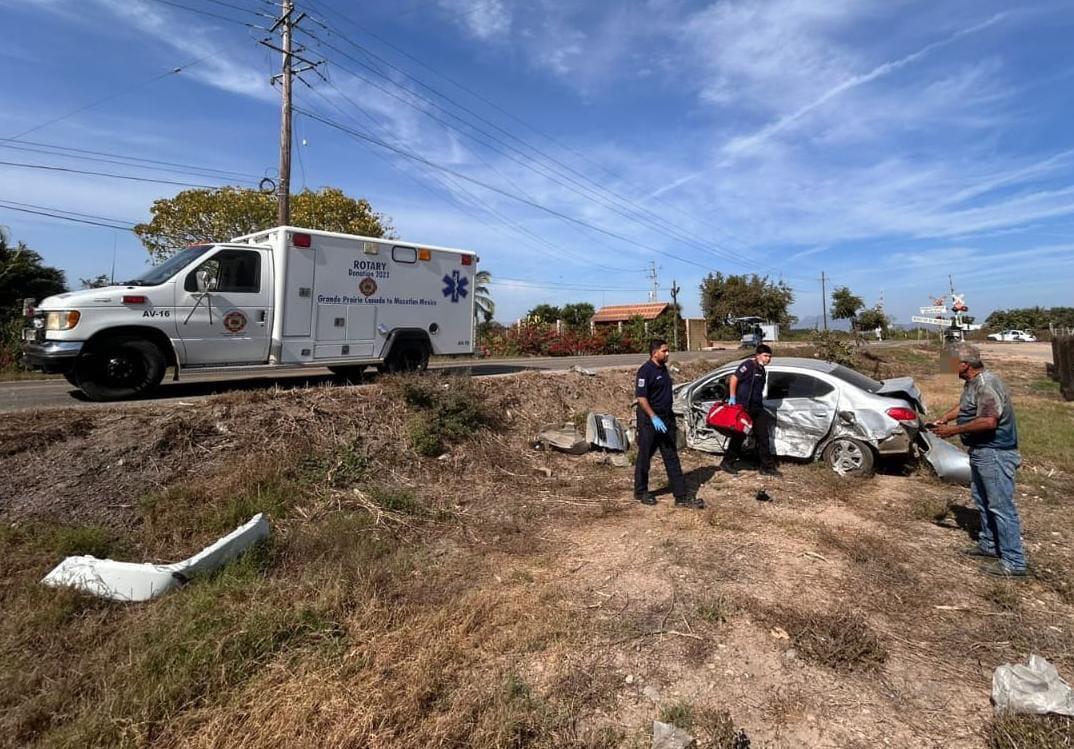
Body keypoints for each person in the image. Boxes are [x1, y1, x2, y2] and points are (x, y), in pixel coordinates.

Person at [930, 343, 1027, 578]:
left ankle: (1014, 562)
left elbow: (989, 421)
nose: (948, 366)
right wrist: (943, 419)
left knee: (1000, 506)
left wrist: (953, 431)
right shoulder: (972, 383)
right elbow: (965, 406)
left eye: (951, 361)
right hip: (981, 450)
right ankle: (989, 544)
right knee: (982, 500)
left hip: (995, 452)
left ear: (964, 364)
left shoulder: (987, 385)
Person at [634, 339, 702, 509]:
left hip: (666, 418)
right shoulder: (645, 371)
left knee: (671, 455)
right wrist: (653, 417)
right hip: (650, 420)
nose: (667, 353)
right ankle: (641, 491)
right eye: (664, 351)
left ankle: (681, 497)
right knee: (645, 457)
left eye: (668, 350)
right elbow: (641, 398)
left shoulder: (663, 369)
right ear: (654, 352)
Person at [721, 344, 779, 477]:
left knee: (763, 437)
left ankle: (766, 467)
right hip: (744, 408)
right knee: (739, 436)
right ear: (757, 355)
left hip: (757, 408)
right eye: (765, 356)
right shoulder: (748, 365)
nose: (768, 359)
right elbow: (734, 378)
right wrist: (732, 396)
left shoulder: (762, 370)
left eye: (769, 356)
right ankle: (727, 462)